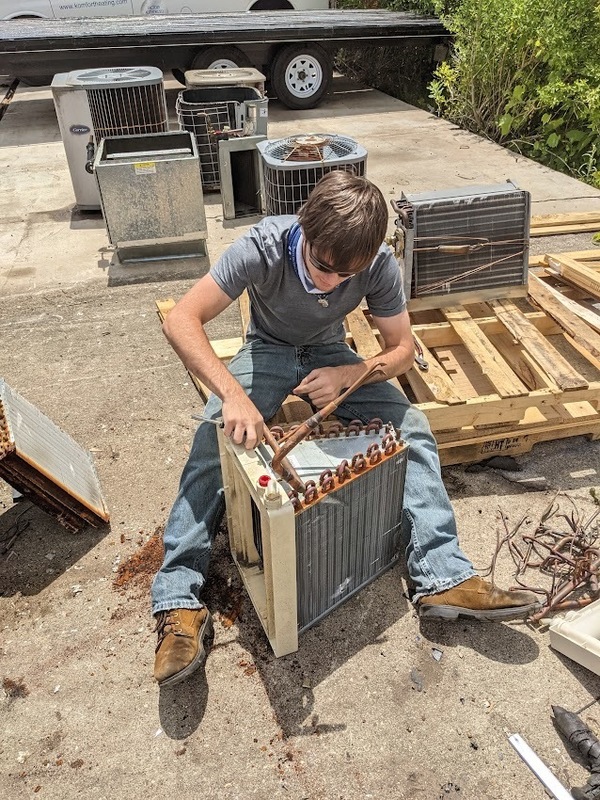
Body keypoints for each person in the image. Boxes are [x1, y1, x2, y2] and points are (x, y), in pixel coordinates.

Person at [151, 171, 539, 687]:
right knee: (212, 443)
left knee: (415, 428)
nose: (332, 282)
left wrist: (351, 373)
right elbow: (181, 320)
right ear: (304, 230)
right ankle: (179, 600)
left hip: (333, 355)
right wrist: (233, 395)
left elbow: (402, 348)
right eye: (322, 267)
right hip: (267, 351)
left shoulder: (375, 262)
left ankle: (441, 575)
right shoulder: (261, 247)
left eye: (345, 275)